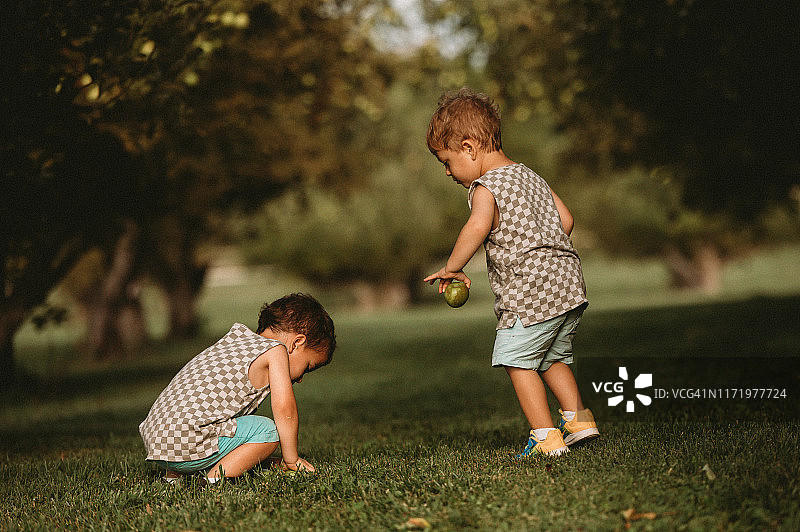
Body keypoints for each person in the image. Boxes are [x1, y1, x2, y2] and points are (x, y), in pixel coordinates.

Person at [423, 88, 599, 457]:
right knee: (552, 356)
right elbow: (566, 220)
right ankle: (579, 421)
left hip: (529, 289)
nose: (447, 171)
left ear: (469, 148)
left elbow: (476, 228)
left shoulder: (485, 187)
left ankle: (546, 436)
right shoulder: (531, 175)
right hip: (568, 282)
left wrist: (452, 268)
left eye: (447, 161)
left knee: (516, 359)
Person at [139, 293, 336, 483]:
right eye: (308, 367)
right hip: (188, 442)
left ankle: (172, 478)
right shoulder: (275, 351)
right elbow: (285, 408)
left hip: (157, 441)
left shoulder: (236, 341)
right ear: (297, 343)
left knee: (213, 418)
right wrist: (291, 459)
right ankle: (213, 480)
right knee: (267, 431)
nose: (300, 379)